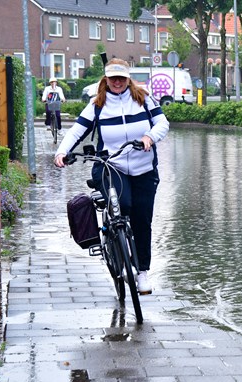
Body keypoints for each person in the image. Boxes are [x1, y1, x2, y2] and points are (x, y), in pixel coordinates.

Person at [54, 59, 169, 295]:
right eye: (112, 78)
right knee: (123, 204)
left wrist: (149, 137)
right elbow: (77, 130)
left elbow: (162, 123)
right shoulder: (97, 105)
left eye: (121, 78)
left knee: (142, 219)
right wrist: (62, 151)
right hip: (111, 165)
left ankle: (142, 272)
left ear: (128, 79)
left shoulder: (143, 99)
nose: (117, 82)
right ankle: (115, 245)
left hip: (144, 168)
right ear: (105, 79)